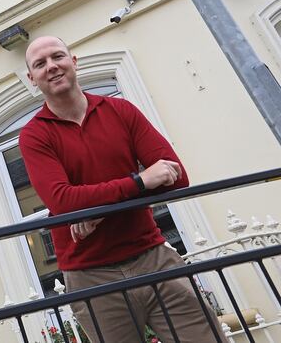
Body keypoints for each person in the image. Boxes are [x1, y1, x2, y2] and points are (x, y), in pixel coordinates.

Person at [18, 36, 226, 343]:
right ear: (32, 78)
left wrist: (95, 209)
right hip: (91, 275)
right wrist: (140, 181)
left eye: (57, 56)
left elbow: (176, 176)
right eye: (40, 63)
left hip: (153, 257)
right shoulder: (34, 135)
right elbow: (63, 201)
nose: (51, 66)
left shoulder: (120, 110)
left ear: (73, 61)